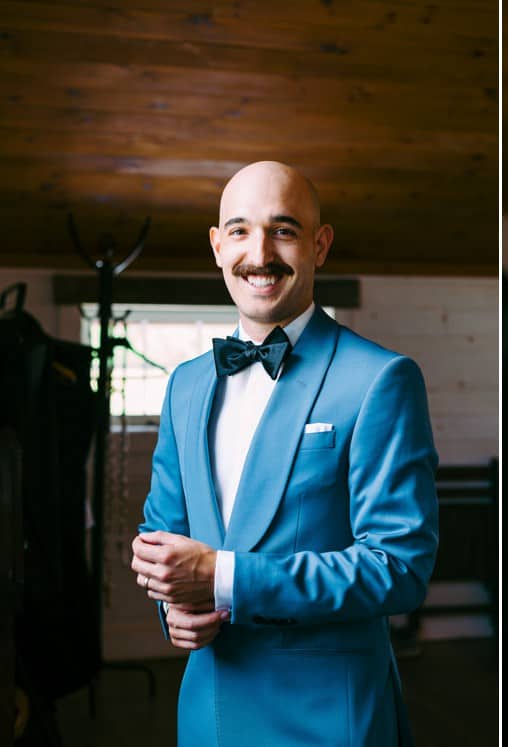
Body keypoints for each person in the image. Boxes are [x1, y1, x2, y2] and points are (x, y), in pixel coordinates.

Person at [129, 161, 439, 747]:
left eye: (285, 230)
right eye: (240, 230)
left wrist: (222, 576)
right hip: (209, 708)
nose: (260, 253)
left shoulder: (381, 379)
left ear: (320, 246)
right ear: (218, 247)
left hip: (329, 716)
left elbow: (398, 568)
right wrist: (173, 608)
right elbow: (160, 532)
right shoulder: (185, 383)